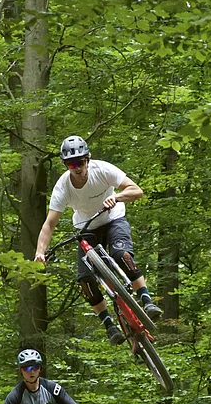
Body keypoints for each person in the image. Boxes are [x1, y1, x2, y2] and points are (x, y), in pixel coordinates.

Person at [34, 135, 162, 345]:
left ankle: (146, 300)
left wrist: (117, 197)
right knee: (85, 280)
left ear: (88, 159)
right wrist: (40, 252)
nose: (77, 168)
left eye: (81, 162)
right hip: (86, 228)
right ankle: (109, 325)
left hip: (113, 219)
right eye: (71, 164)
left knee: (121, 255)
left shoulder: (102, 170)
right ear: (65, 165)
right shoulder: (63, 187)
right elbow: (49, 224)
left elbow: (136, 190)